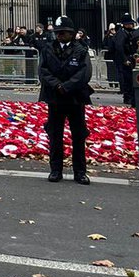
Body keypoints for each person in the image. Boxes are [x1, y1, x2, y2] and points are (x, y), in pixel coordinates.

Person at [38, 14, 93, 184]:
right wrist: (57, 85)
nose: (60, 35)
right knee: (55, 135)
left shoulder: (81, 49)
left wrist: (67, 86)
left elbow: (85, 73)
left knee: (78, 135)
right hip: (55, 98)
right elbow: (43, 71)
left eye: (64, 32)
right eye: (58, 33)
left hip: (75, 97)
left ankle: (80, 171)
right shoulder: (47, 48)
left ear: (71, 33)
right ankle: (55, 170)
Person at [113, 13, 136, 106]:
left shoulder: (128, 32)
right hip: (125, 59)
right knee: (127, 79)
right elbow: (119, 47)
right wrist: (124, 59)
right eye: (130, 24)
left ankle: (129, 96)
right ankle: (127, 97)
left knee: (130, 78)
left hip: (128, 57)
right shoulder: (122, 33)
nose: (132, 25)